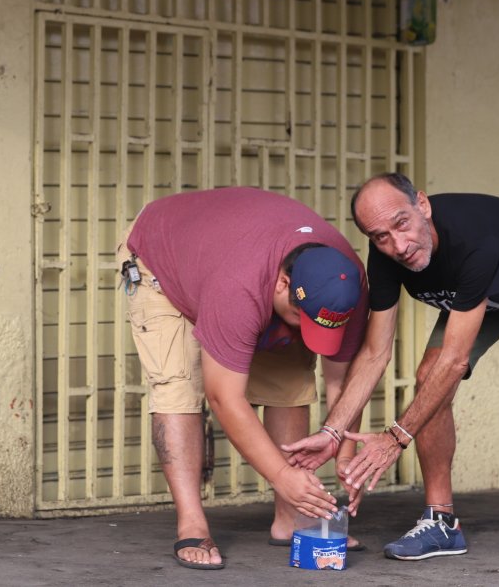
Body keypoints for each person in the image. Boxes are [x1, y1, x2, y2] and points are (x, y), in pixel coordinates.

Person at [283, 172, 499, 574]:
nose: (399, 245)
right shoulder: (388, 255)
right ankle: (442, 523)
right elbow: (375, 353)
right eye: (380, 237)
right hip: (482, 298)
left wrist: (395, 438)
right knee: (429, 377)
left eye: (402, 224)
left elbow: (456, 361)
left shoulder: (475, 238)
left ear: (422, 206)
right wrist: (333, 432)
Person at [117, 187, 369, 570]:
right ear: (283, 284)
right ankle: (192, 522)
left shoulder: (344, 284)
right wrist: (282, 475)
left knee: (290, 381)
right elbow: (225, 398)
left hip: (235, 255)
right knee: (179, 387)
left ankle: (293, 518)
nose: (306, 330)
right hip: (161, 262)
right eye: (299, 317)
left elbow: (343, 384)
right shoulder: (239, 288)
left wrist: (346, 459)